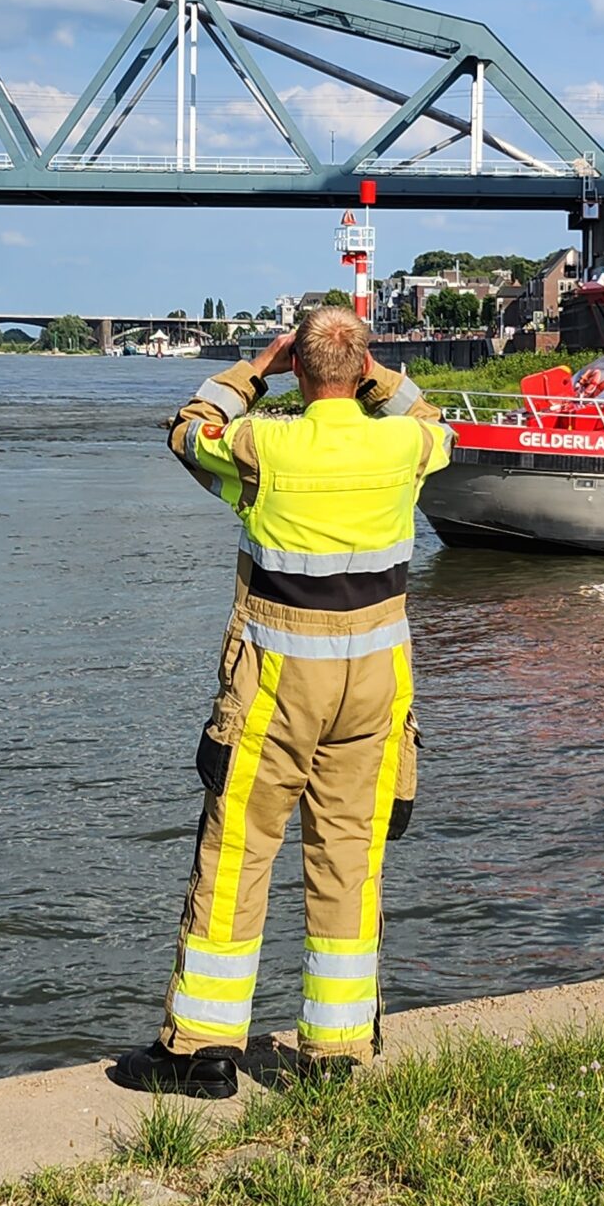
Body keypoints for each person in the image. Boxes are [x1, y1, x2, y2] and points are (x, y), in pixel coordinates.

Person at [112, 306, 450, 1098]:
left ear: (298, 368)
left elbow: (187, 431)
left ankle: (201, 1049)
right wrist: (374, 376)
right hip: (374, 681)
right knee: (349, 856)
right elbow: (435, 421)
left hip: (277, 680)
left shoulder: (263, 447)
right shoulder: (405, 446)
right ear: (362, 370)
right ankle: (336, 1051)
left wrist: (252, 373)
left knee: (238, 851)